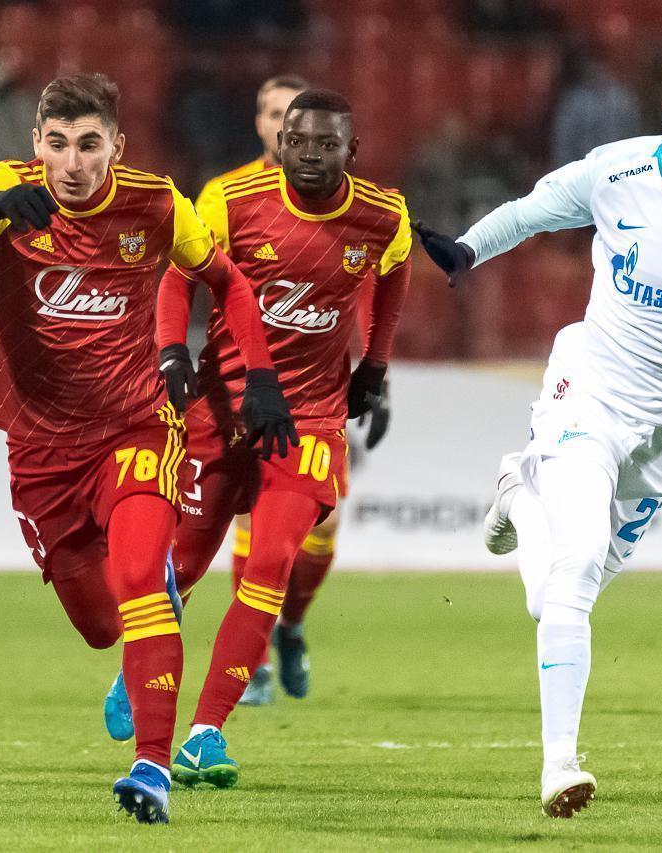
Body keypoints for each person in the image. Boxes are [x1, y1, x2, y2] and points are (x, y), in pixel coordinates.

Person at [413, 48, 662, 817]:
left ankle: (517, 490)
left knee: (558, 600)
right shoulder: (618, 170)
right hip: (591, 397)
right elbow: (533, 209)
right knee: (573, 573)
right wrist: (468, 248)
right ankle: (560, 765)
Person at [0, 73, 295, 824]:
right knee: (100, 626)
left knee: (140, 579)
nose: (72, 163)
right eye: (57, 144)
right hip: (40, 449)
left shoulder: (156, 202)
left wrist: (265, 379)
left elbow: (229, 282)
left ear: (117, 146)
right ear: (36, 144)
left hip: (135, 426)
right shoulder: (9, 190)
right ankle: (155, 602)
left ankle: (152, 768)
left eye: (89, 145)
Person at [159, 88, 412, 788]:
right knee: (180, 565)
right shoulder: (229, 200)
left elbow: (393, 277)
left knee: (270, 561)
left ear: (351, 150)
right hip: (223, 408)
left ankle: (206, 732)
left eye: (326, 144)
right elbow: (180, 275)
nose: (308, 154)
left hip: (312, 418)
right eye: (297, 140)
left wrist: (376, 366)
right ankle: (140, 671)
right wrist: (172, 350)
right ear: (277, 139)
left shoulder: (383, 215)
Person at [197, 73, 392, 707]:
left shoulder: (356, 208)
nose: (296, 137)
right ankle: (250, 665)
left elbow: (367, 288)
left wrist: (377, 373)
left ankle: (292, 626)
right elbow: (196, 278)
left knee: (319, 536)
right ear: (269, 129)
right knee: (251, 526)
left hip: (320, 391)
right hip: (242, 390)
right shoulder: (226, 196)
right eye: (273, 114)